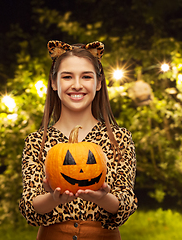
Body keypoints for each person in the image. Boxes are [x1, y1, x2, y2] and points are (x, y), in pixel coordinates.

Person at [19, 40, 138, 240]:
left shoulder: (118, 138)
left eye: (86, 77)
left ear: (99, 83)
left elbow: (125, 203)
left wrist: (103, 198)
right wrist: (53, 199)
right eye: (67, 77)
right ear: (54, 83)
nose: (76, 85)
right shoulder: (36, 142)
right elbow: (30, 206)